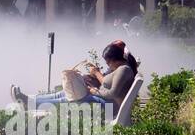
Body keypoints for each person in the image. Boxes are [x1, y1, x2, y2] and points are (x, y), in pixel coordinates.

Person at [10, 40, 141, 112]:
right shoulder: (120, 68)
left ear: (116, 59)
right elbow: (108, 85)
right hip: (105, 101)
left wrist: (95, 91)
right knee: (65, 93)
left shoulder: (123, 70)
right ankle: (29, 100)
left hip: (110, 107)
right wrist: (92, 81)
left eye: (108, 61)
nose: (107, 64)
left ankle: (29, 103)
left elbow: (112, 93)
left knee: (71, 99)